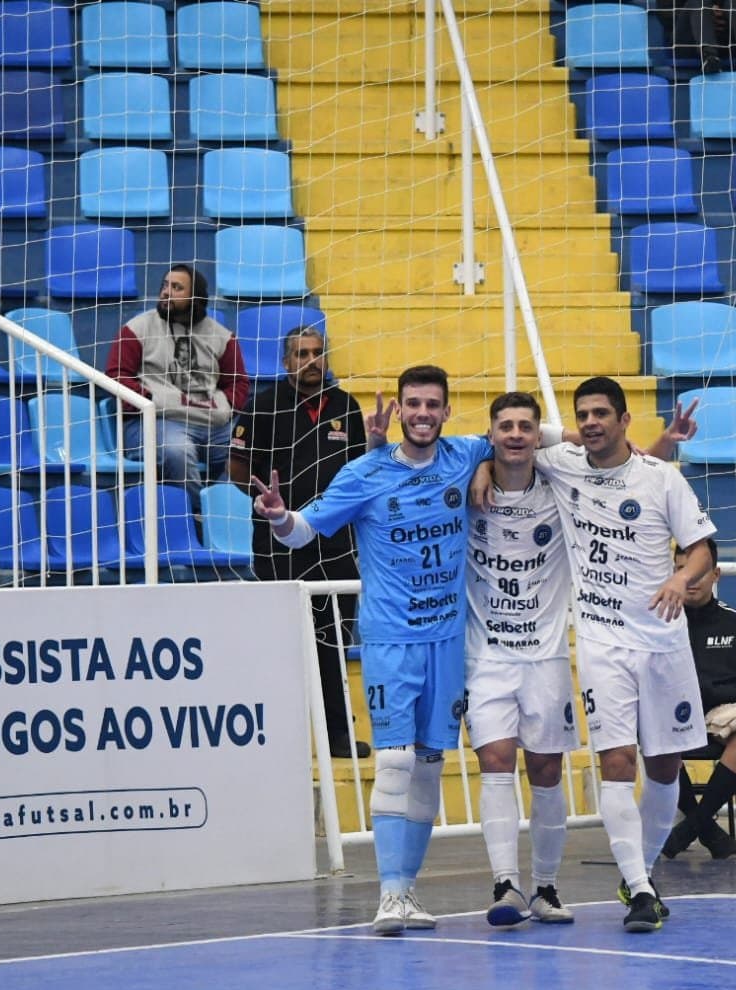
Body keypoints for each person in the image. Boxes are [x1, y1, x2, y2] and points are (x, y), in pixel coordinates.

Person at [251, 364, 493, 937]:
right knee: (395, 762)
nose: (423, 414)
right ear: (401, 409)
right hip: (389, 638)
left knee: (431, 766)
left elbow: (522, 437)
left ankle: (408, 891)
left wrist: (484, 466)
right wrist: (279, 515)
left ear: (447, 410)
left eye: (433, 404)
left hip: (446, 641)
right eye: (414, 404)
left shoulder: (463, 455)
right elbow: (304, 531)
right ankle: (387, 895)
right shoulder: (365, 473)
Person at [532, 377, 718, 933]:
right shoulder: (562, 462)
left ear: (623, 420)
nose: (591, 423)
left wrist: (681, 578)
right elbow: (512, 432)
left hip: (663, 640)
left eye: (600, 414)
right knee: (617, 761)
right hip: (601, 638)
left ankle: (642, 871)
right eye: (582, 414)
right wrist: (494, 468)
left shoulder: (661, 478)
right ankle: (638, 889)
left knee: (666, 768)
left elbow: (703, 549)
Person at [227, 324, 369, 761]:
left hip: (338, 546)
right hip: (278, 546)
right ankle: (279, 743)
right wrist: (263, 504)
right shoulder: (262, 406)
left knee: (334, 642)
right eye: (300, 354)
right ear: (285, 361)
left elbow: (362, 470)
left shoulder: (347, 406)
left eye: (317, 352)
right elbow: (236, 466)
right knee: (286, 647)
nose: (310, 361)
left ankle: (337, 736)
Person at [466, 392, 580, 929]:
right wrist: (481, 465)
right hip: (486, 655)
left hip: (547, 656)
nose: (515, 434)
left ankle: (547, 888)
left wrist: (546, 437)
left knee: (546, 770)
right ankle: (505, 884)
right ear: (489, 433)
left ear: (539, 435)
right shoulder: (466, 486)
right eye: (504, 426)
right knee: (495, 762)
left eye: (526, 427)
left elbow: (601, 447)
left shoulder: (561, 485)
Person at [662, 538, 736, 861]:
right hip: (670, 714)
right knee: (645, 727)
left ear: (716, 574)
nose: (691, 579)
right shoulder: (658, 621)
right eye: (682, 570)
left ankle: (691, 826)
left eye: (699, 571)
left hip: (719, 713)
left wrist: (722, 693)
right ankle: (706, 828)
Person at [105, 264, 248, 491]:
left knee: (248, 451)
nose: (166, 292)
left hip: (211, 422)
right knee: (177, 451)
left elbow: (238, 383)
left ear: (196, 297)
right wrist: (151, 399)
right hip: (154, 422)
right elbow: (116, 377)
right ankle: (195, 518)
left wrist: (226, 405)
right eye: (164, 285)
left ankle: (220, 510)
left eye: (177, 288)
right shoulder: (137, 329)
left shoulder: (222, 336)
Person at [681, 0, 736, 75]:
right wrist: (709, 11)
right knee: (699, 2)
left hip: (730, 40)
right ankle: (709, 58)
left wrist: (725, 14)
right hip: (690, 40)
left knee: (735, 2)